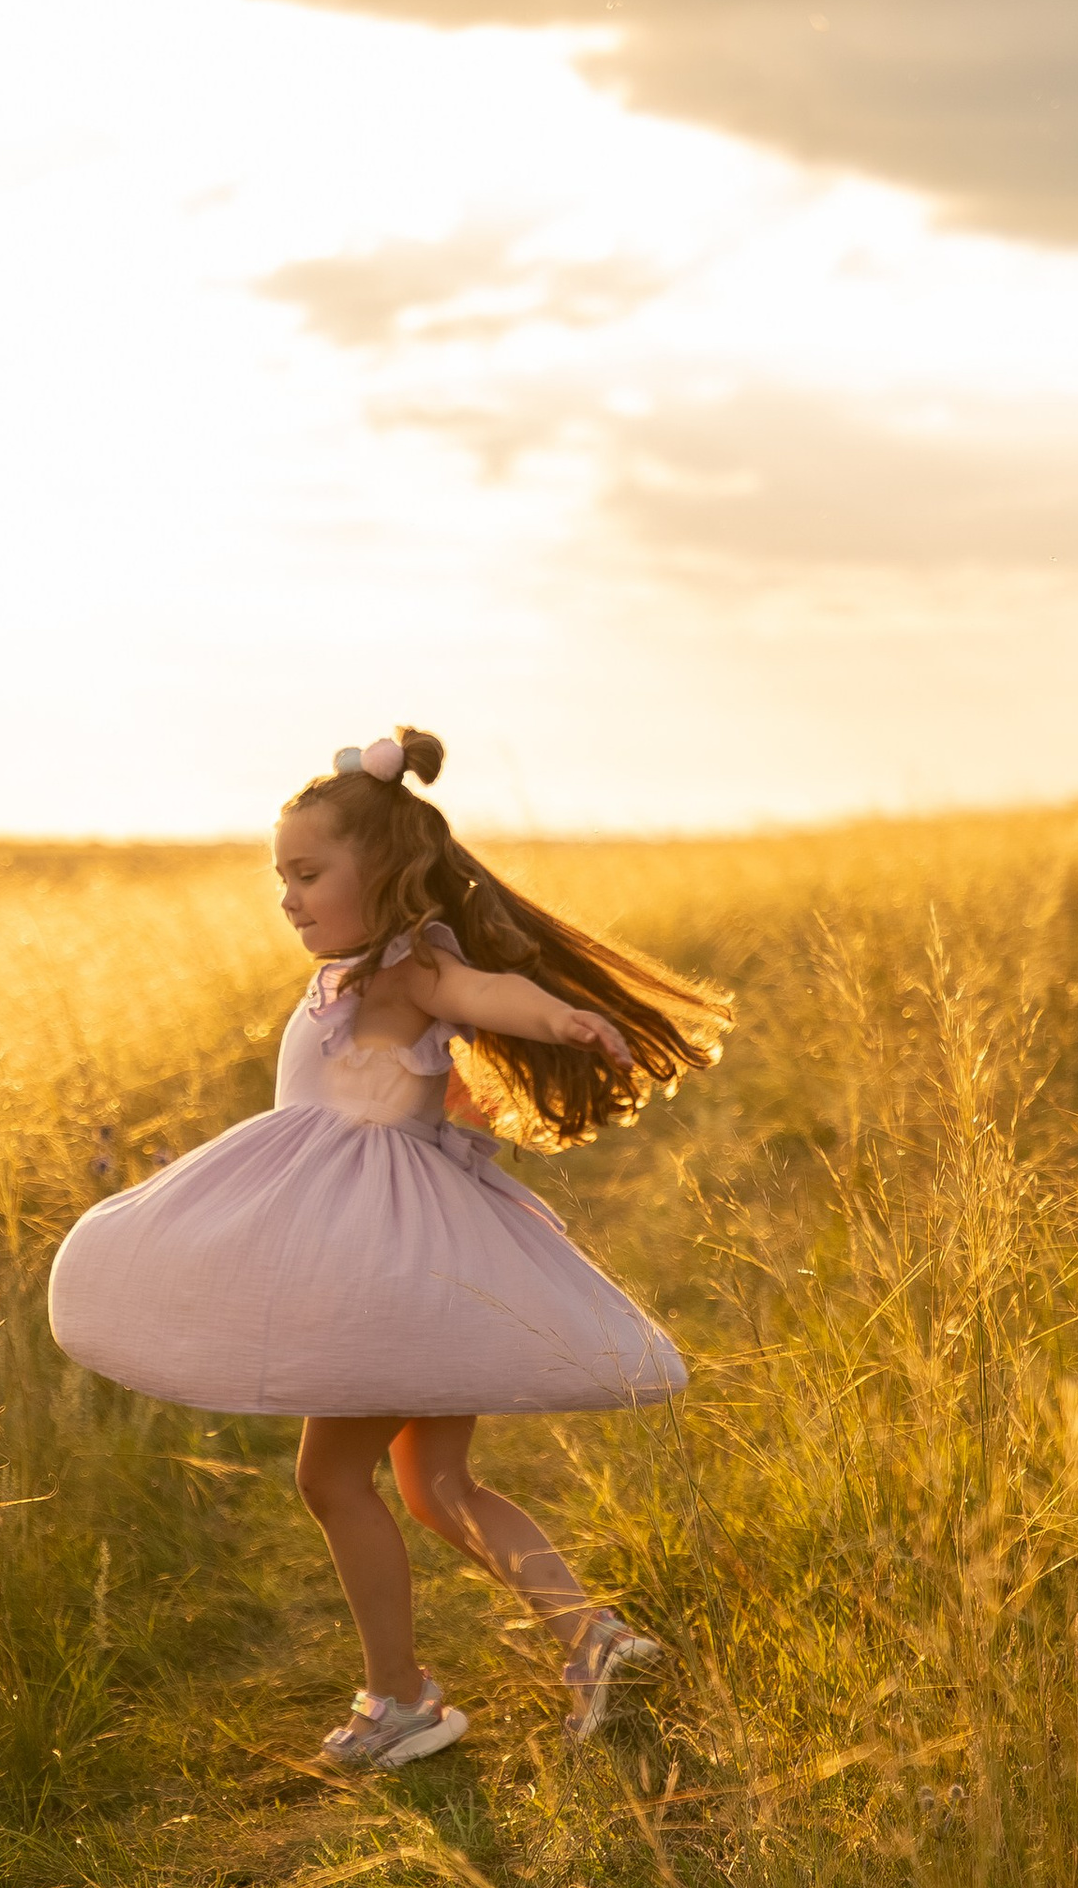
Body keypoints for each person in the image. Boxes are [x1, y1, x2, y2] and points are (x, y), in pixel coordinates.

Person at [48, 728, 727, 1765]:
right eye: (281, 878)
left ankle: (401, 1699)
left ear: (385, 872)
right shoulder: (355, 974)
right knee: (435, 1484)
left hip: (384, 1261)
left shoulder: (411, 965)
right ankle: (591, 1639)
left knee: (331, 1481)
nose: (288, 897)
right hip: (416, 1258)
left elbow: (482, 995)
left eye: (308, 873)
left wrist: (560, 1018)